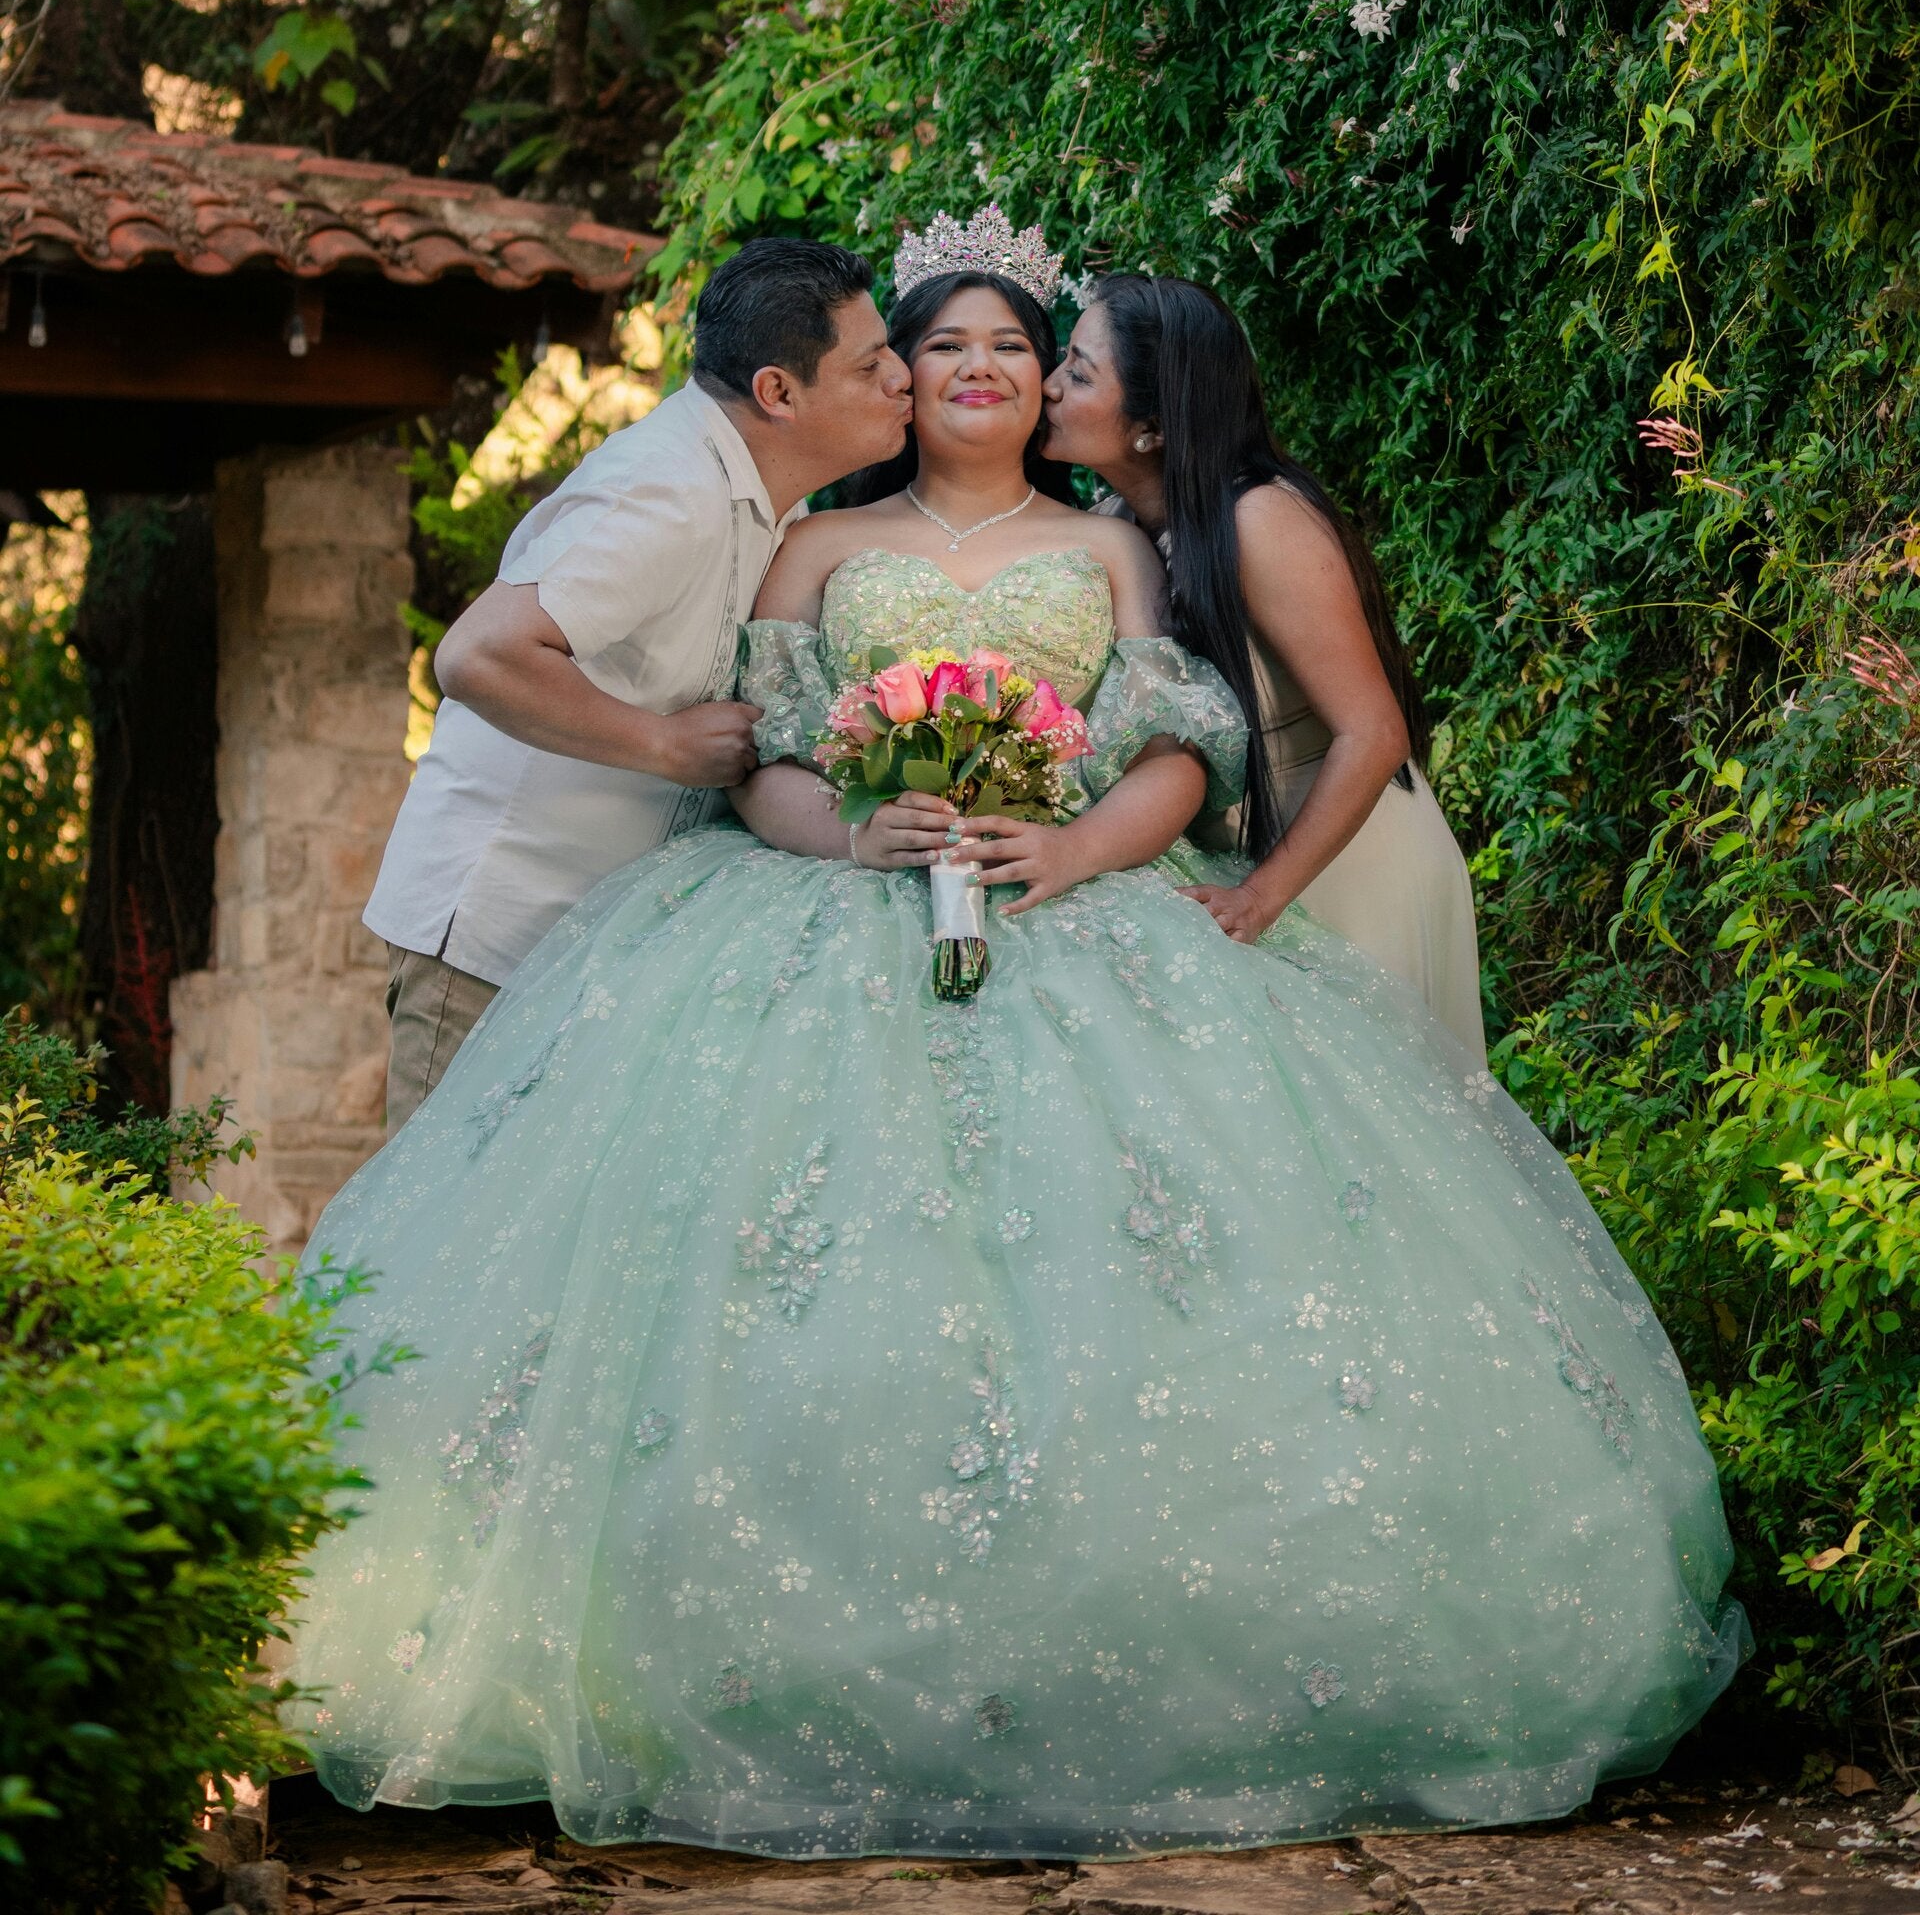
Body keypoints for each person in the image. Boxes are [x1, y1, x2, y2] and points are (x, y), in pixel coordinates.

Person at [287, 205, 1743, 1859]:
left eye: (1014, 348)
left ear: (1051, 384)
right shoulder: (809, 545)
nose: (977, 368)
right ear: (892, 381)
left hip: (1082, 908)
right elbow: (760, 752)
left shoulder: (1119, 548)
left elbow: (1178, 751)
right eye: (940, 346)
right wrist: (853, 834)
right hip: (825, 921)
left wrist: (1071, 847)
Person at [360, 236, 911, 1127]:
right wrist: (663, 743)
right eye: (870, 363)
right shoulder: (664, 489)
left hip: (604, 950)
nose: (902, 378)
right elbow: (477, 656)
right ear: (778, 392)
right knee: (436, 1200)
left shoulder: (778, 499)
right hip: (496, 937)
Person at [1043, 272, 1486, 1059]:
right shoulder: (1114, 525)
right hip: (1239, 862)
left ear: (1150, 428)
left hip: (1344, 861)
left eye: (1078, 374)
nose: (1048, 385)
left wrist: (1259, 896)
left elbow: (1373, 732)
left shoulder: (1261, 519)